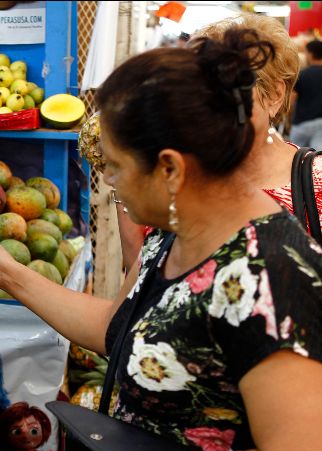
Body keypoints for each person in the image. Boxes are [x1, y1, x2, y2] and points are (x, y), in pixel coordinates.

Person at [0, 27, 322, 451]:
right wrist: (10, 273)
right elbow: (119, 329)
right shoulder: (175, 234)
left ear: (169, 168)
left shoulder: (270, 275)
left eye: (116, 164)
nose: (109, 181)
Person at [116, 14, 321, 271]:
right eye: (198, 88)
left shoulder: (315, 182)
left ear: (275, 95)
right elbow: (140, 294)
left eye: (227, 86)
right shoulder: (179, 174)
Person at [290, 39, 322, 149]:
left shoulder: (303, 74)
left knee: (294, 156)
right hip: (320, 124)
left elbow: (292, 98)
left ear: (310, 54)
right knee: (317, 161)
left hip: (301, 123)